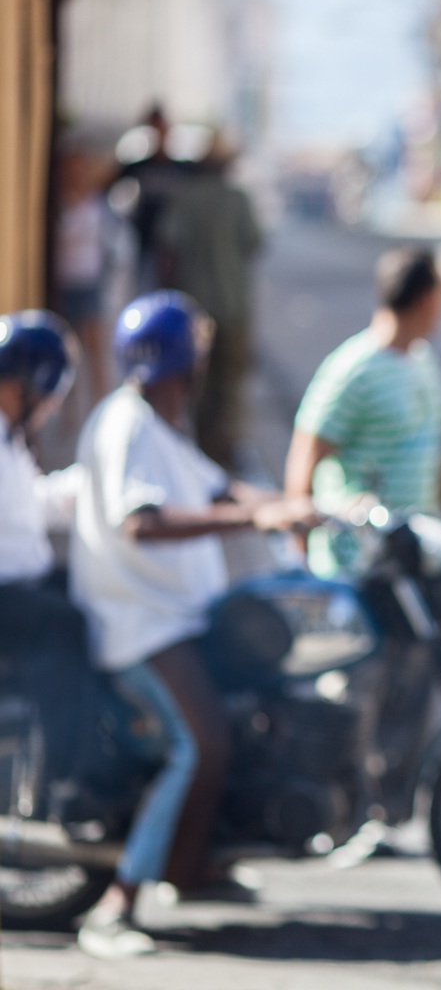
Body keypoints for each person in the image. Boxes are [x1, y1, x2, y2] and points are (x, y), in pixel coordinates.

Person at [70, 291, 316, 958]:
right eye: (198, 354)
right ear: (183, 363)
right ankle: (116, 904)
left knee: (246, 710)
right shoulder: (126, 426)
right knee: (199, 746)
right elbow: (140, 521)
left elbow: (219, 490)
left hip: (175, 618)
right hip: (141, 626)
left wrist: (295, 507)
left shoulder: (158, 425)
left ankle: (189, 870)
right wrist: (251, 519)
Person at [284, 246, 441, 578]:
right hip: (357, 569)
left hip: (412, 561)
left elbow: (427, 449)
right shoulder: (354, 370)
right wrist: (298, 554)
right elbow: (304, 459)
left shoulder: (423, 360)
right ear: (427, 299)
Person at [0, 311, 91, 815]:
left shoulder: (10, 438)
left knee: (88, 595)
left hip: (21, 580)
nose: (52, 408)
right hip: (6, 593)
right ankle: (66, 779)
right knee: (67, 628)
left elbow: (28, 505)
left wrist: (88, 486)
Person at [155, 131, 263, 468]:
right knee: (229, 385)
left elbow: (168, 250)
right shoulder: (238, 200)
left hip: (195, 309)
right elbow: (253, 244)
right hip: (233, 307)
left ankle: (203, 450)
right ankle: (225, 448)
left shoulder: (186, 199)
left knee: (197, 386)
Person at [53, 147, 119, 409]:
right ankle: (67, 413)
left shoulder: (98, 203)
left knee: (95, 351)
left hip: (89, 281)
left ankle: (99, 405)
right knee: (68, 352)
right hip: (67, 282)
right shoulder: (59, 205)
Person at [114, 104, 189, 293]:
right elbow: (107, 179)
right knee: (147, 295)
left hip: (175, 250)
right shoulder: (139, 166)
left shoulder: (183, 168)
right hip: (147, 245)